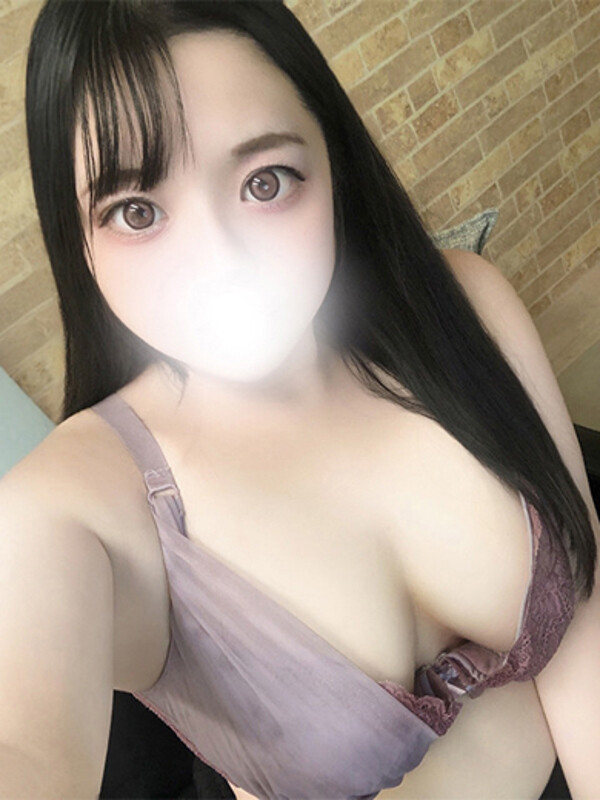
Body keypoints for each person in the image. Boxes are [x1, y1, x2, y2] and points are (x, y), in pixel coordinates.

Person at [1, 1, 598, 798]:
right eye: (136, 212)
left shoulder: (464, 307)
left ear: (332, 162)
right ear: (78, 239)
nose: (220, 262)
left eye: (265, 182)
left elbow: (583, 608)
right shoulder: (72, 512)